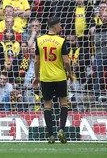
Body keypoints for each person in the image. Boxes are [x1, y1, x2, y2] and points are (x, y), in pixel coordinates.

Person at [33, 16, 72, 144]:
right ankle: (61, 129)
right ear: (55, 27)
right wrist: (70, 73)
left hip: (46, 78)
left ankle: (50, 135)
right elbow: (66, 61)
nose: (60, 27)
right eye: (59, 25)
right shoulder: (61, 41)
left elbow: (37, 60)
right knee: (64, 104)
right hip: (60, 76)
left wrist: (37, 76)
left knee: (47, 105)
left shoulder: (39, 40)